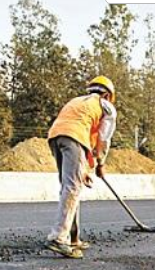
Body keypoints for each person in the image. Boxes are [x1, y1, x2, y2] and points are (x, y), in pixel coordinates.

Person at [44, 76, 117, 259]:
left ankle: (73, 238)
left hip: (56, 137)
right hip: (74, 137)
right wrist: (101, 164)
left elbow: (87, 141)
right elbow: (103, 139)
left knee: (69, 187)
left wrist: (85, 169)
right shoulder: (106, 106)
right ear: (107, 95)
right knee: (72, 188)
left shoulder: (76, 102)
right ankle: (58, 238)